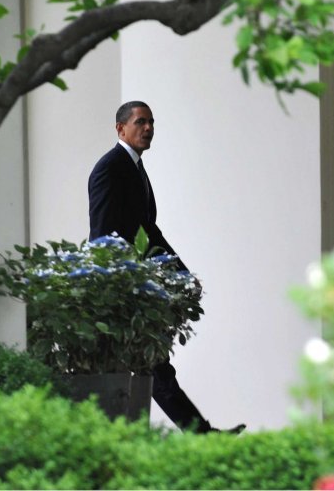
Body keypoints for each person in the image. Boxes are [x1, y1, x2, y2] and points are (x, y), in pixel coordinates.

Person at [88, 100, 244, 435]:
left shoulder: (135, 168)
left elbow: (149, 231)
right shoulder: (110, 168)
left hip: (133, 285)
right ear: (121, 129)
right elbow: (101, 234)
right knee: (142, 368)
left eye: (151, 122)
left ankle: (198, 434)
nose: (148, 128)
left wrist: (180, 272)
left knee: (152, 367)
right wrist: (113, 284)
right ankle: (196, 435)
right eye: (141, 122)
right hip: (117, 290)